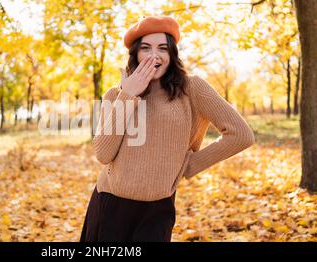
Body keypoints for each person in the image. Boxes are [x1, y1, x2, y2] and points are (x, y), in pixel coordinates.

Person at [79, 16, 255, 242]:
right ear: (135, 54)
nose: (154, 55)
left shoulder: (192, 89)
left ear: (172, 54)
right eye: (146, 48)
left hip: (157, 211)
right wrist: (128, 95)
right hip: (110, 206)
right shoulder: (115, 95)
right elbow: (103, 154)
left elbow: (241, 135)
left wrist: (189, 165)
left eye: (163, 48)